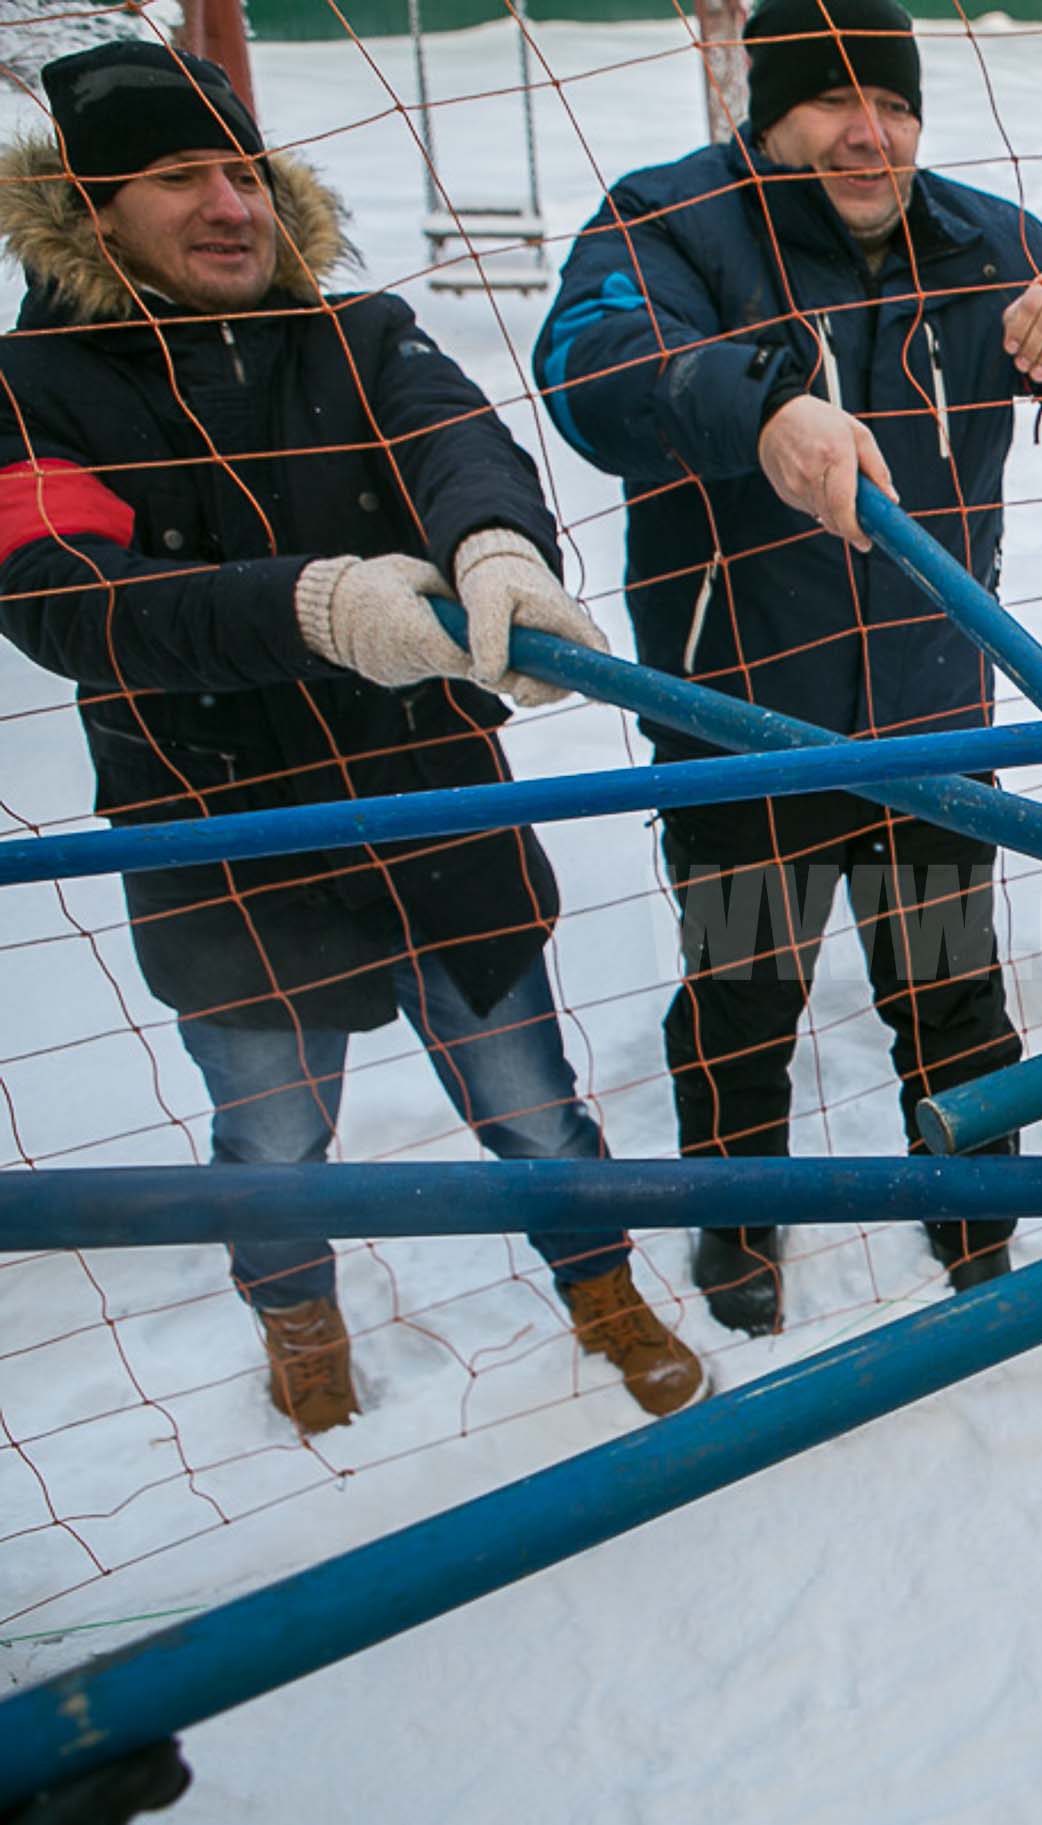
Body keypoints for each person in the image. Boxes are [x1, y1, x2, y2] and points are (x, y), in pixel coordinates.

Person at [0, 44, 703, 1432]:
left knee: (532, 1094)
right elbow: (61, 596)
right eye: (180, 178)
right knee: (271, 1136)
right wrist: (314, 605)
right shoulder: (28, 387)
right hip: (220, 839)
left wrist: (495, 544)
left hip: (430, 797)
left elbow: (459, 441)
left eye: (245, 173)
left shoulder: (359, 332)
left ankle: (600, 1281)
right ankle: (298, 1315)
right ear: (91, 207)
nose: (230, 206)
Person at [534, 0, 1042, 1335]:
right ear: (764, 109)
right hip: (740, 726)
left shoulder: (982, 243)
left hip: (928, 726)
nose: (869, 131)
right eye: (833, 101)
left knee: (950, 994)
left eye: (894, 104)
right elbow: (590, 366)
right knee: (740, 1000)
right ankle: (736, 1233)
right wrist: (761, 408)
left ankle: (974, 1221)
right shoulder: (666, 221)